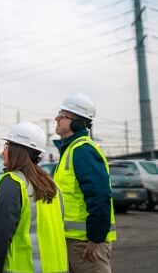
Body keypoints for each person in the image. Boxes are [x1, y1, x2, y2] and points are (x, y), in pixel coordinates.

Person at [0, 122, 68, 273]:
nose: (3, 152)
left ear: (17, 150)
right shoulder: (52, 185)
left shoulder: (12, 182)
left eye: (6, 146)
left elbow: (0, 238)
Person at [53, 93, 116, 273]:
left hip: (86, 244)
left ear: (76, 123)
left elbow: (100, 197)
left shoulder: (83, 150)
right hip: (74, 241)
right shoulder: (71, 149)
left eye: (62, 115)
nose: (56, 118)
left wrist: (96, 239)